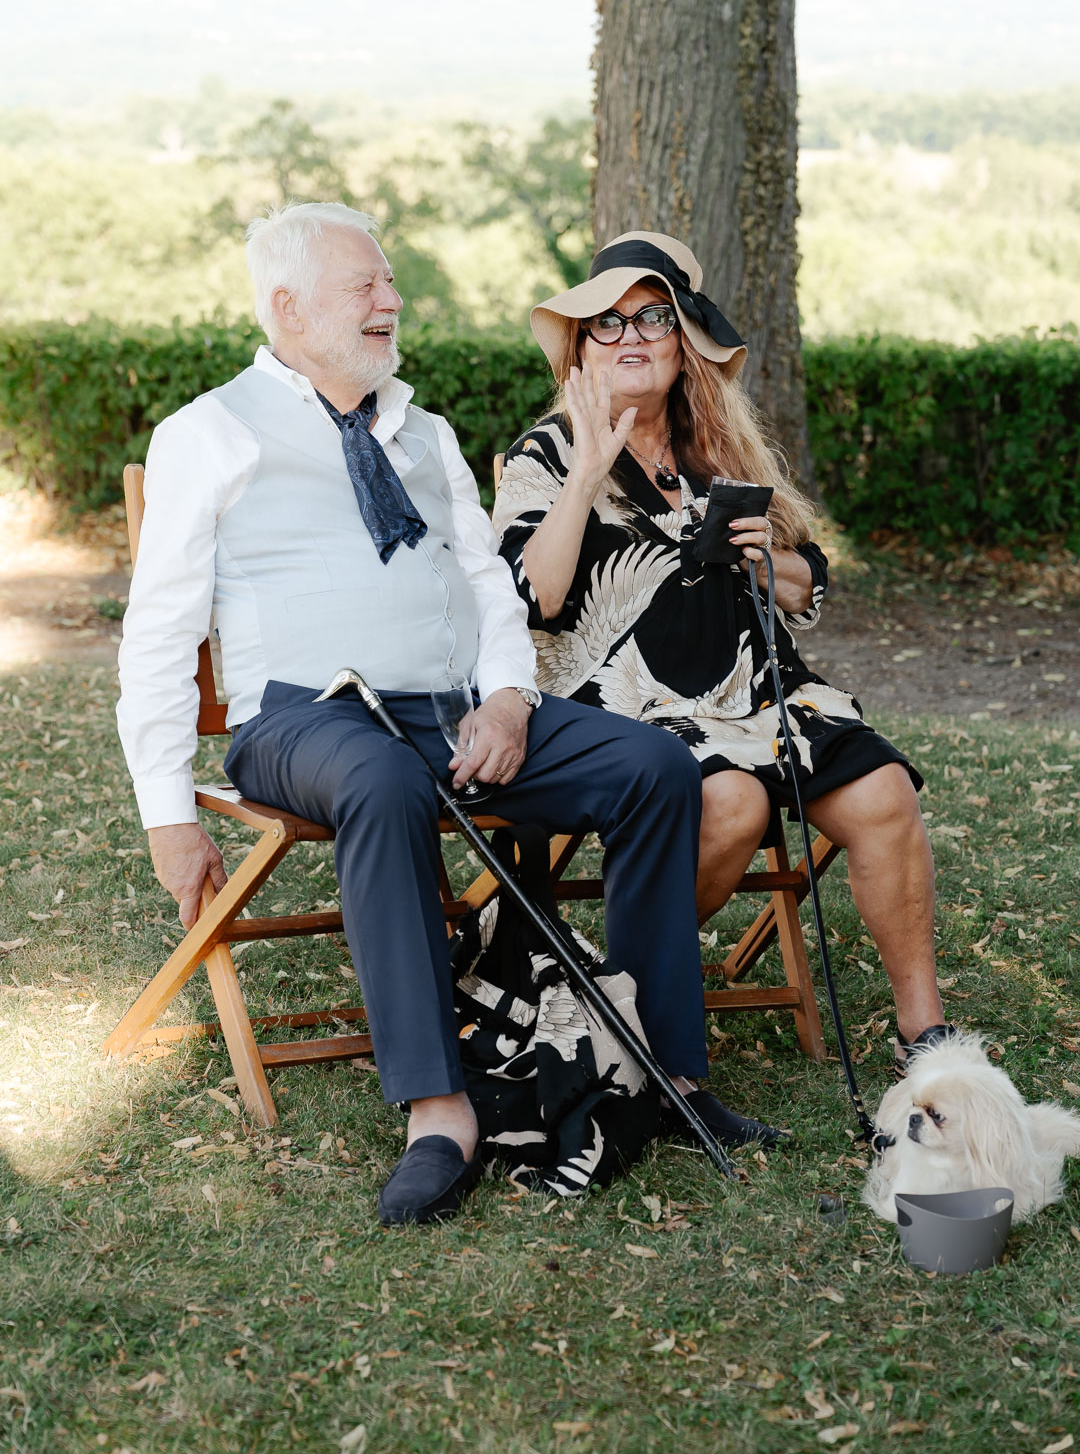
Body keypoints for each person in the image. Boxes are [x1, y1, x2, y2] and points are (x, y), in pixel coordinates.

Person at [116, 203, 779, 1230]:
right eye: (366, 285)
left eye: (390, 282)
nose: (392, 300)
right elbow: (157, 637)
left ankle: (663, 1074)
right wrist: (169, 817)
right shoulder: (207, 434)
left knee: (653, 767)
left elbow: (488, 591)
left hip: (454, 711)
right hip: (302, 722)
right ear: (288, 308)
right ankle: (439, 1113)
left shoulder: (424, 433)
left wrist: (509, 697)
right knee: (384, 782)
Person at [493, 231, 950, 1068]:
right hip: (626, 708)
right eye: (607, 322)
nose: (630, 336)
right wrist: (588, 474)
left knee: (885, 792)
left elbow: (807, 579)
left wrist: (767, 560)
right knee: (733, 803)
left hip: (757, 692)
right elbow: (532, 596)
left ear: (684, 342)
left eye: (653, 317)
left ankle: (926, 1036)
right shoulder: (545, 454)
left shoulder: (717, 448)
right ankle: (624, 994)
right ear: (582, 347)